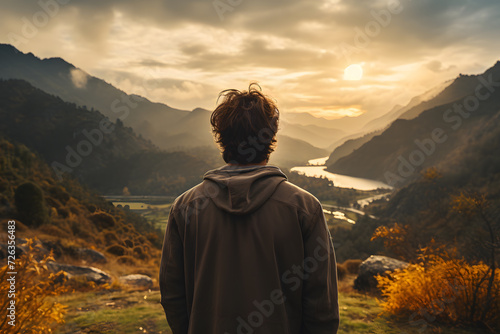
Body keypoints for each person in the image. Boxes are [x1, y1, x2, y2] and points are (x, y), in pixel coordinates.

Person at [160, 83, 339, 334]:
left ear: (222, 139)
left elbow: (172, 296)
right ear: (271, 137)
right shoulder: (304, 208)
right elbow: (323, 308)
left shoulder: (185, 208)